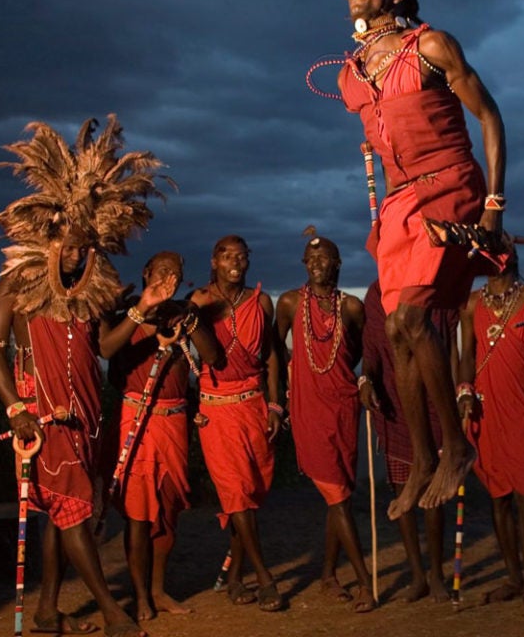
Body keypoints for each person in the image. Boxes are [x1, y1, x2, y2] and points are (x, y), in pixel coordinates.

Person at [337, 0, 508, 518]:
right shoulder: (352, 76)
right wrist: (387, 208)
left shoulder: (431, 46)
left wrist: (493, 206)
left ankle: (456, 449)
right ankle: (424, 458)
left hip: (453, 184)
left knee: (413, 317)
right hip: (400, 204)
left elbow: (489, 116)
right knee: (397, 331)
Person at [0, 116, 168, 637]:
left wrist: (144, 308)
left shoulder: (93, 285)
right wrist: (15, 410)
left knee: (64, 511)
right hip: (41, 414)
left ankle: (46, 612)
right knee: (72, 507)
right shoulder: (16, 281)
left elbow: (104, 349)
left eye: (84, 245)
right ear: (48, 237)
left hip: (85, 413)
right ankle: (112, 614)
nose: (74, 253)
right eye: (66, 244)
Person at [101, 251, 219, 622]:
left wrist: (188, 319)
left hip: (174, 422)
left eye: (177, 272)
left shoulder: (186, 313)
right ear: (147, 273)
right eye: (162, 270)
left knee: (167, 512)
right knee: (138, 513)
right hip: (137, 417)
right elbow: (110, 360)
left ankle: (157, 589)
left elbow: (213, 358)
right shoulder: (127, 315)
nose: (170, 276)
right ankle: (140, 597)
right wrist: (148, 320)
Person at [275, 236, 376, 613]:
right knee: (337, 497)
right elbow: (273, 348)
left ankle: (329, 575)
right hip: (308, 411)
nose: (318, 263)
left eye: (326, 257)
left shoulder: (351, 307)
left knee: (341, 497)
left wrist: (362, 382)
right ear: (304, 262)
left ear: (338, 264)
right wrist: (284, 389)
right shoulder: (288, 303)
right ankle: (366, 583)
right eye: (312, 257)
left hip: (345, 406)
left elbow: (367, 352)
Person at [458, 251, 524, 619]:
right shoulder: (472, 304)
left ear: (514, 257)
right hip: (487, 410)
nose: (498, 256)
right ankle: (514, 577)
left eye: (504, 249)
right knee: (498, 497)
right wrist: (464, 392)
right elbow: (467, 354)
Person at [190, 235, 283, 612]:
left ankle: (233, 579)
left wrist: (276, 405)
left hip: (255, 405)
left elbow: (273, 354)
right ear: (214, 261)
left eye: (241, 256)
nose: (235, 261)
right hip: (217, 410)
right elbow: (191, 355)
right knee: (236, 495)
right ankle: (265, 578)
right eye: (227, 255)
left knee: (252, 490)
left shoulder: (261, 301)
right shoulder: (198, 302)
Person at [362, 278, 454, 603]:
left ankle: (437, 575)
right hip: (395, 402)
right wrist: (366, 382)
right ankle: (417, 575)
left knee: (433, 493)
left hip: (433, 402)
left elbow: (449, 343)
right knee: (403, 492)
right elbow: (371, 349)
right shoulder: (376, 293)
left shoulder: (434, 287)